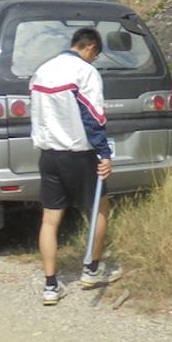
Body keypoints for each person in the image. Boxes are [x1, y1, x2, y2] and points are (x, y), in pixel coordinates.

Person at [29, 27, 120, 306]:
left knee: (49, 220)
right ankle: (91, 270)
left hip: (49, 154)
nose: (94, 60)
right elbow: (93, 117)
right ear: (91, 47)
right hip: (80, 154)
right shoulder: (85, 72)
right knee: (99, 208)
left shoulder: (41, 71)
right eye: (96, 54)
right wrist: (104, 154)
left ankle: (50, 285)